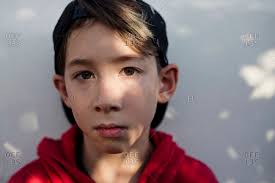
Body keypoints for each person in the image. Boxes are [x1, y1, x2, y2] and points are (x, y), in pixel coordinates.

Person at [8, 0, 219, 182]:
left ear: (164, 83)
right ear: (64, 91)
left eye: (129, 71)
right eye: (84, 75)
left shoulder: (194, 179)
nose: (107, 100)